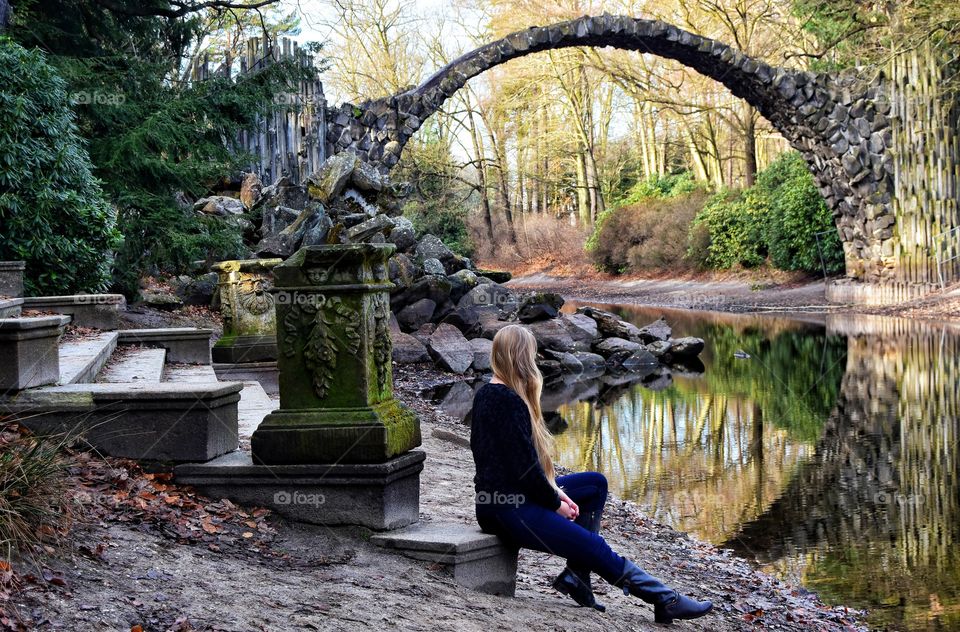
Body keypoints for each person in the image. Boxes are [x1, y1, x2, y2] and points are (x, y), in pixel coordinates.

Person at [470, 324, 713, 623]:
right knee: (594, 545)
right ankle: (664, 598)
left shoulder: (487, 393)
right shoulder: (509, 401)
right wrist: (555, 503)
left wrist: (556, 492)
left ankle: (576, 577)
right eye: (532, 356)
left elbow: (515, 466)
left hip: (501, 500)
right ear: (522, 359)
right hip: (508, 509)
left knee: (594, 485)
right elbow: (525, 473)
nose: (535, 363)